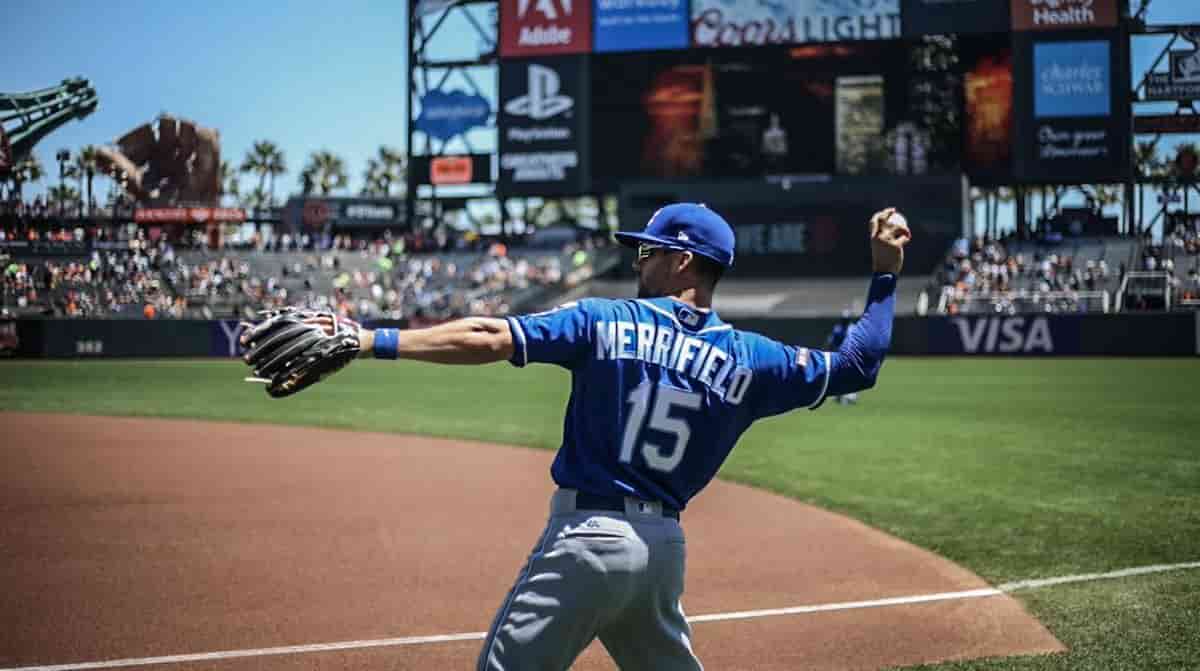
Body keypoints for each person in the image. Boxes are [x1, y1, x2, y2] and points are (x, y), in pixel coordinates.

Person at [353, 203, 911, 670]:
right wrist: (885, 273)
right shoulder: (754, 358)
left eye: (649, 251)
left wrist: (372, 341)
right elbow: (857, 365)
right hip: (661, 552)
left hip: (587, 539)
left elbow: (489, 335)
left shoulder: (604, 319)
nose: (639, 260)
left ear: (683, 260)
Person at [825, 311, 858, 405]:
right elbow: (831, 342)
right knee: (839, 375)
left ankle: (849, 396)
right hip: (839, 355)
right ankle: (839, 395)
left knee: (850, 376)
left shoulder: (852, 329)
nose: (845, 321)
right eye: (844, 320)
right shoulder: (838, 329)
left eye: (846, 320)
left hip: (850, 355)